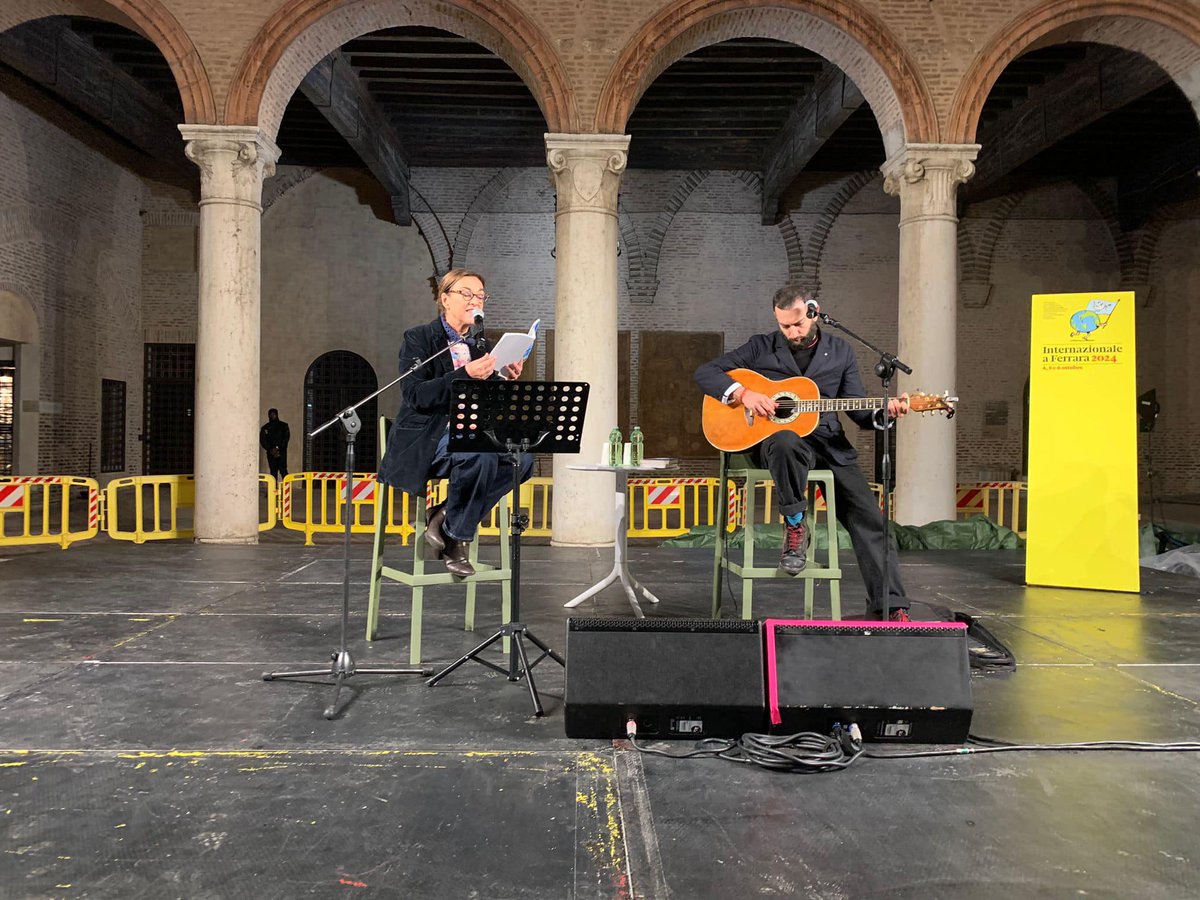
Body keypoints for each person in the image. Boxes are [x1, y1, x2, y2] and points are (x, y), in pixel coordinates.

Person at [694, 283, 912, 621]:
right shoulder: (760, 348)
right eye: (785, 326)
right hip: (777, 446)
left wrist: (885, 414)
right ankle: (795, 525)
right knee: (784, 439)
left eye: (798, 324)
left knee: (871, 519)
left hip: (828, 444)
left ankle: (891, 606)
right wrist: (744, 394)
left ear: (813, 311)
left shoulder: (840, 352)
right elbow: (705, 372)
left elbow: (858, 411)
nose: (792, 332)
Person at [378, 269, 533, 577]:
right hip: (427, 439)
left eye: (480, 296)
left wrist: (504, 376)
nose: (474, 300)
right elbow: (415, 394)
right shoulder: (419, 338)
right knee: (480, 452)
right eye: (466, 293)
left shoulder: (481, 347)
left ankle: (445, 517)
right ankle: (456, 541)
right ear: (444, 299)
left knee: (523, 459)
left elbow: (489, 405)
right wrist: (464, 374)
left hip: (472, 435)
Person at [259, 408, 290, 482]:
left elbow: (286, 438)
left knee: (283, 471)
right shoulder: (265, 428)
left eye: (274, 414)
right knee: (273, 472)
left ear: (277, 415)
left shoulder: (283, 426)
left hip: (281, 452)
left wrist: (278, 448)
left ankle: (287, 490)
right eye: (270, 414)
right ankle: (273, 491)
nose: (272, 416)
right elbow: (263, 440)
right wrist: (270, 449)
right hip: (271, 453)